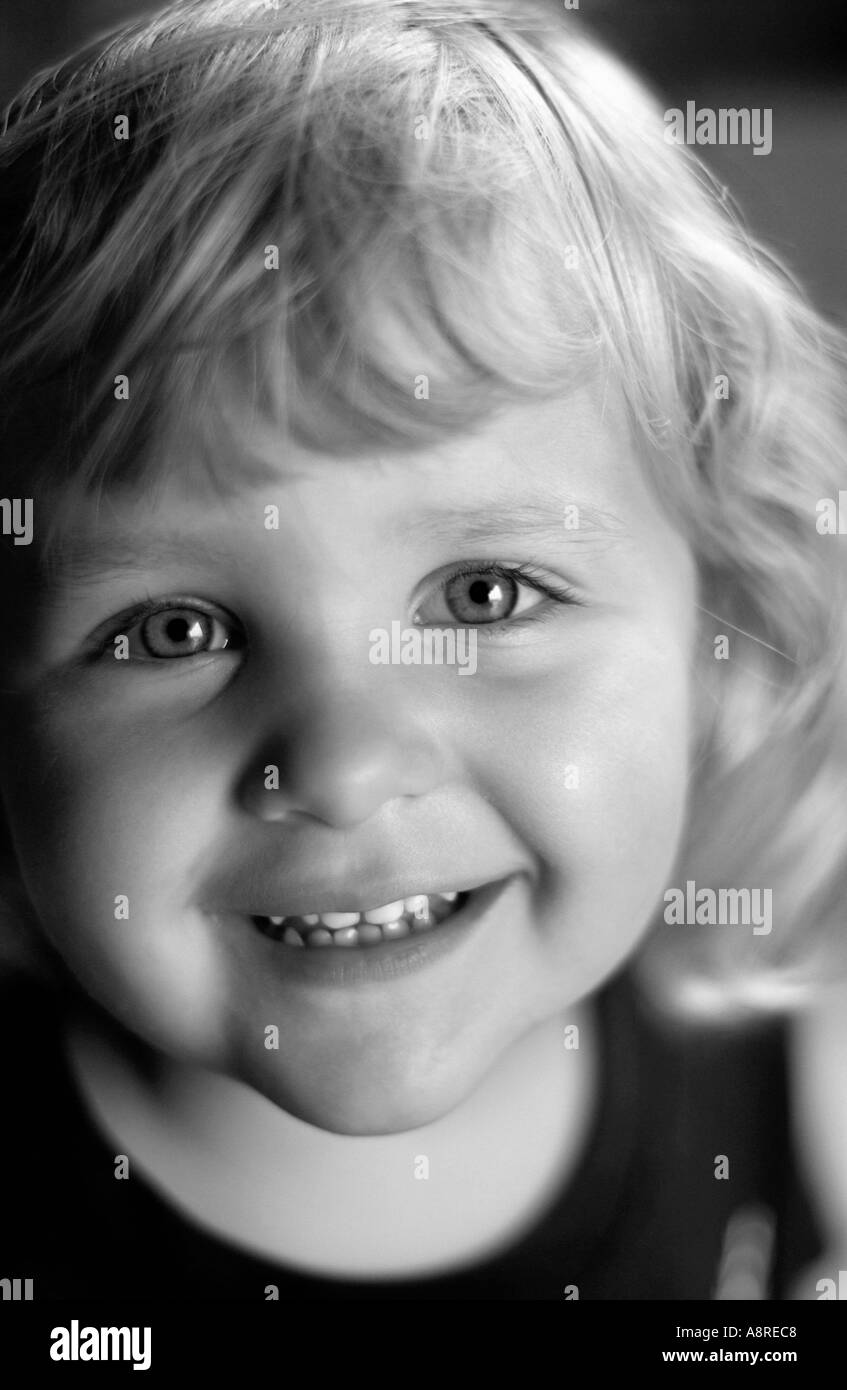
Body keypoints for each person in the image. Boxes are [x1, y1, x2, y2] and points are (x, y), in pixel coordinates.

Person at [1, 0, 845, 1300]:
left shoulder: (796, 1083)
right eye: (173, 630)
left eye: (487, 595)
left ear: (721, 637)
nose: (340, 763)